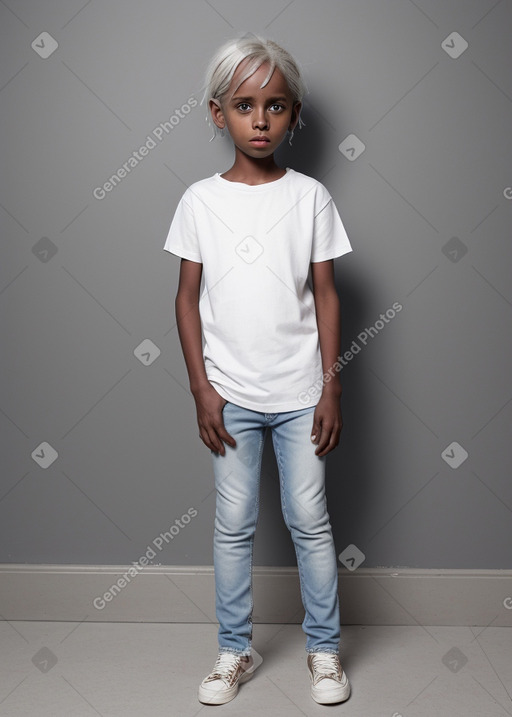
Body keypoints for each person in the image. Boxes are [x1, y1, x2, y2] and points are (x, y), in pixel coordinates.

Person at [163, 35, 353, 706]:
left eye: (276, 106)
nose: (261, 119)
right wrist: (201, 389)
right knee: (233, 520)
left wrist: (330, 385)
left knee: (309, 516)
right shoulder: (198, 201)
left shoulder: (310, 198)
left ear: (294, 115)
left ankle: (324, 649)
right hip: (231, 394)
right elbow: (186, 298)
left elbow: (326, 294)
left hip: (302, 392)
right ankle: (232, 647)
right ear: (219, 114)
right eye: (245, 105)